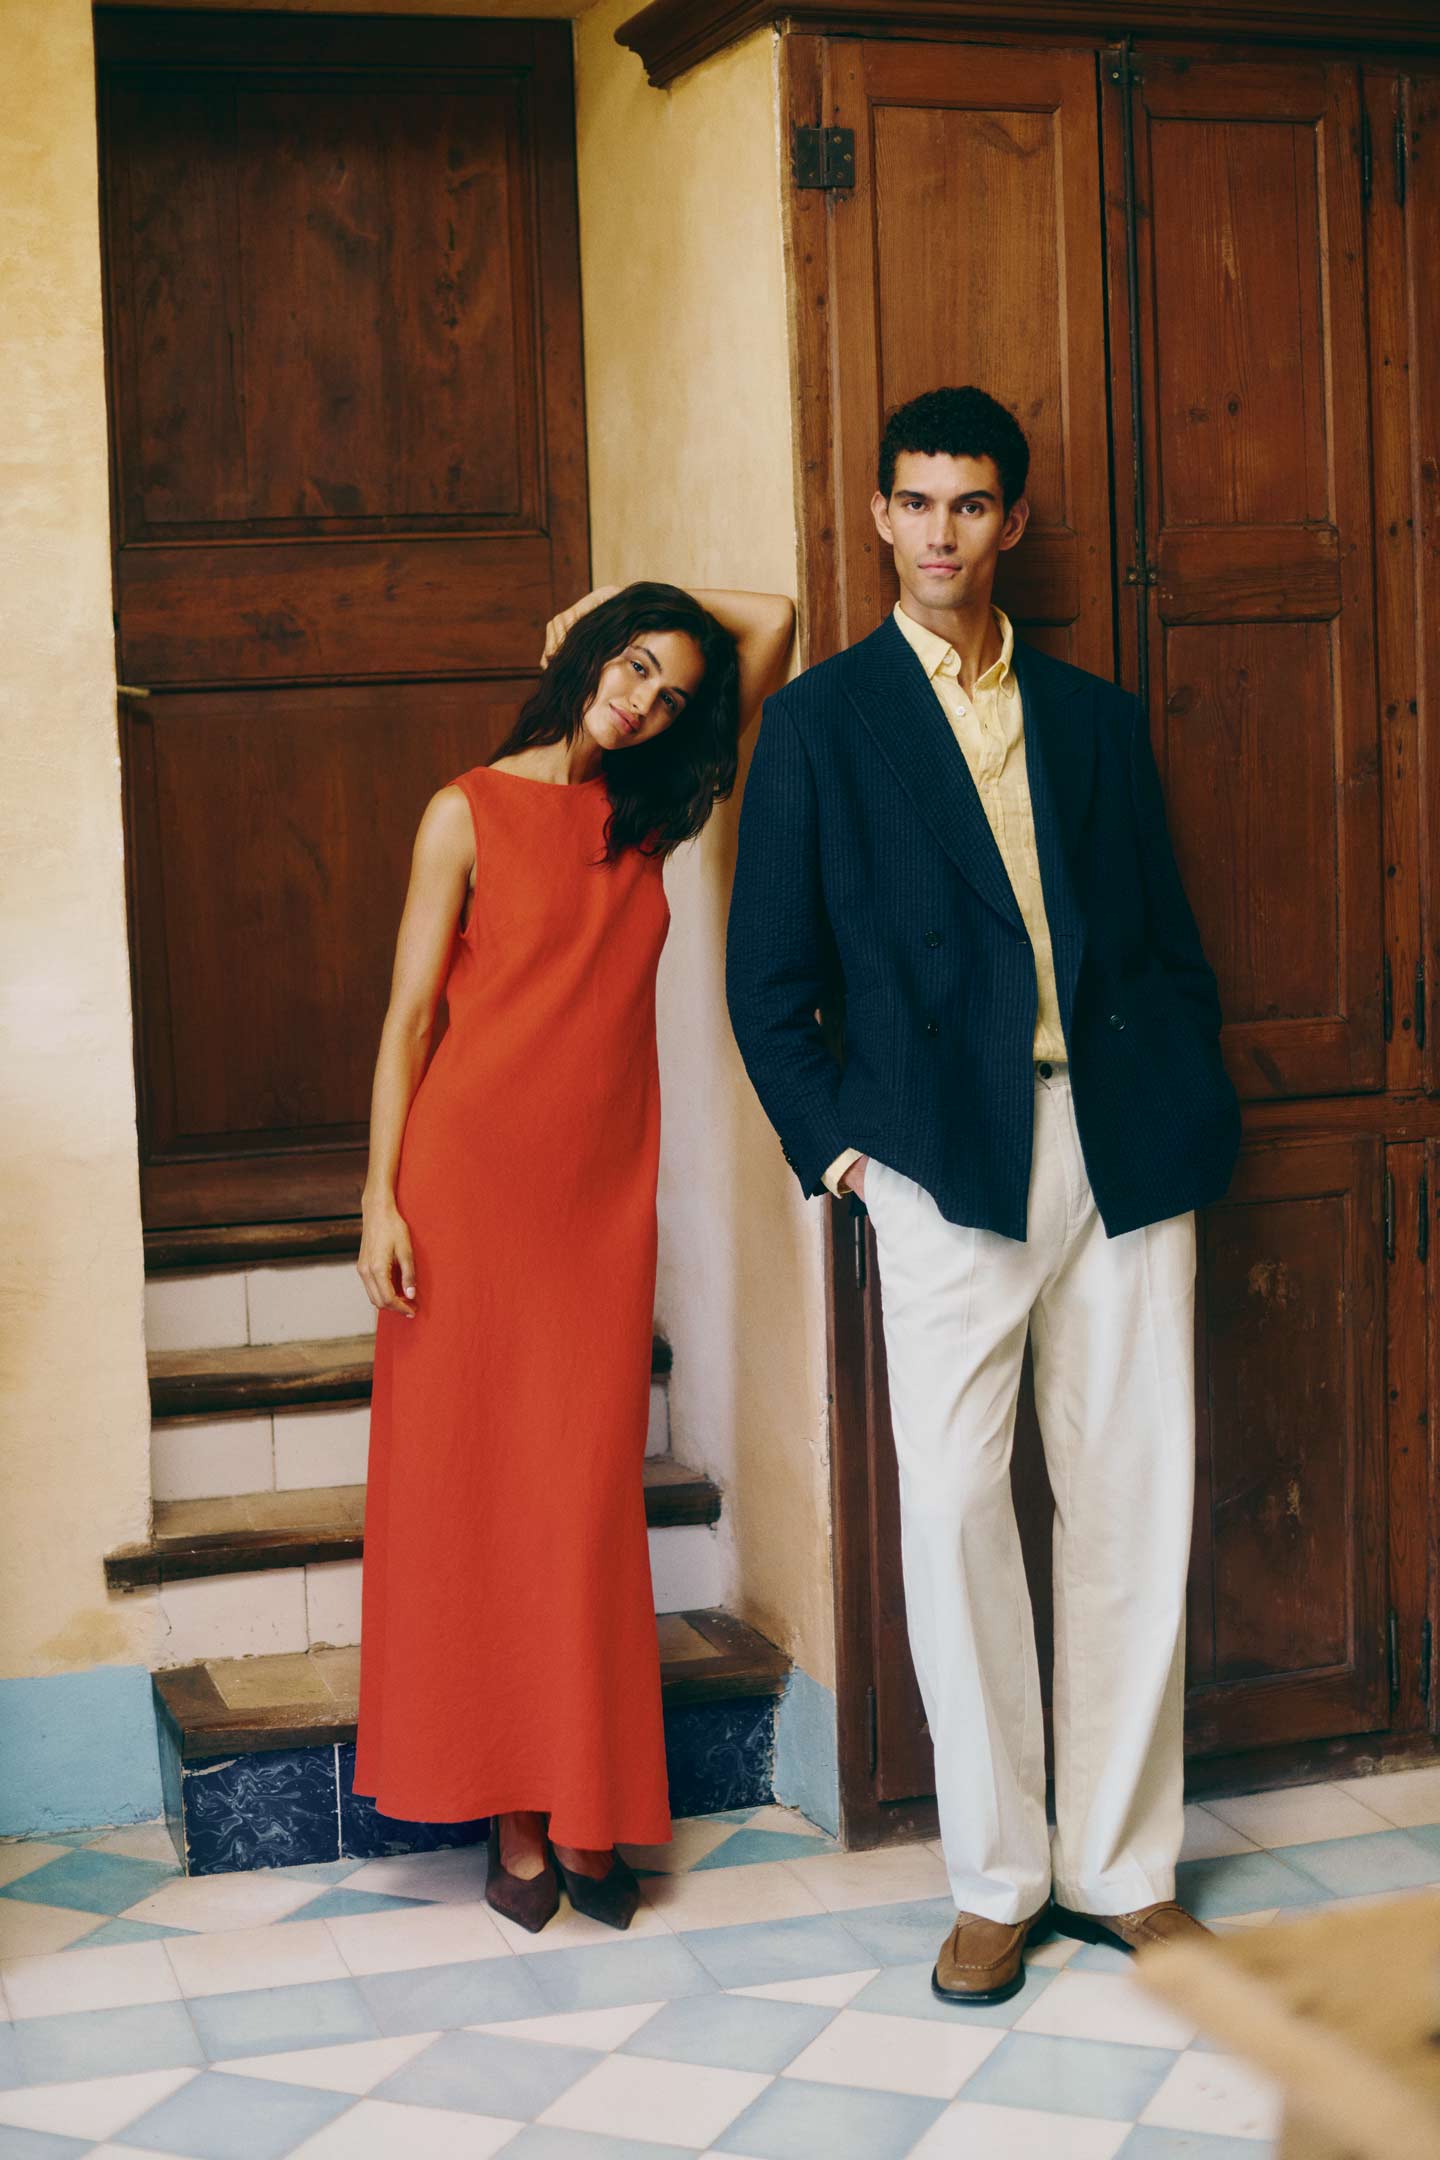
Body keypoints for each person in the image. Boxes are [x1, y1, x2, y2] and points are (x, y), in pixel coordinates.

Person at [726, 385, 1240, 2005]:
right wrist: (857, 1164)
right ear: (878, 517)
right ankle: (998, 1876)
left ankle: (1118, 1867)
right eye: (916, 504)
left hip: (1123, 1148)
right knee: (954, 1518)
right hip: (941, 1163)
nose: (942, 533)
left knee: (1132, 1499)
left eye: (970, 505)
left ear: (1010, 521)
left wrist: (1177, 1084)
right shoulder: (819, 724)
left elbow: (1160, 937)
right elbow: (768, 989)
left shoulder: (1092, 715)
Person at [354, 579, 794, 1935]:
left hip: (596, 1208)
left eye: (668, 690)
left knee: (578, 1496)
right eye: (630, 667)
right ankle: (520, 1819)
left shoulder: (649, 813)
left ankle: (586, 1797)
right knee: (482, 1494)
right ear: (588, 657)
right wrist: (379, 1196)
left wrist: (616, 609)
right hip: (468, 1186)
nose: (644, 698)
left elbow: (767, 619)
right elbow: (413, 1014)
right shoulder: (464, 811)